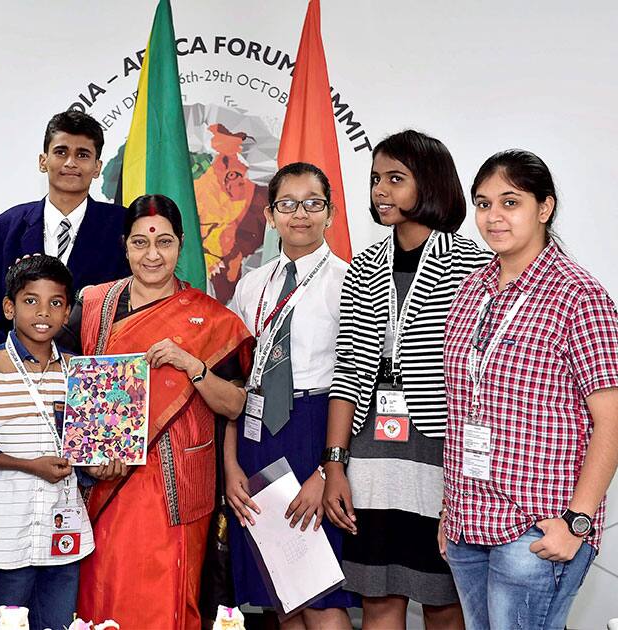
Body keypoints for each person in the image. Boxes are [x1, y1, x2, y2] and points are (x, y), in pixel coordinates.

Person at [321, 130, 492, 629]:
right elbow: (347, 371)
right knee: (377, 595)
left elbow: (479, 376)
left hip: (441, 450)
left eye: (396, 179)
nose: (381, 191)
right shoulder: (363, 263)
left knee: (443, 598)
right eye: (376, 179)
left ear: (432, 183)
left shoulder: (476, 264)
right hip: (371, 451)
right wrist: (335, 464)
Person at [441, 150, 618, 629]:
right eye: (483, 203)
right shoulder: (471, 288)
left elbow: (612, 421)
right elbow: (461, 405)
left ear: (544, 208)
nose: (493, 216)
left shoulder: (579, 295)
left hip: (538, 528)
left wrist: (577, 523)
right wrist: (448, 512)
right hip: (467, 522)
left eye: (510, 202)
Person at [64, 195, 254, 629]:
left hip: (176, 485)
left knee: (166, 599)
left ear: (181, 244)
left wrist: (194, 367)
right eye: (140, 243)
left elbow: (236, 404)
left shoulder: (211, 320)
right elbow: (68, 385)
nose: (152, 255)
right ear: (125, 246)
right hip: (106, 482)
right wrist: (89, 459)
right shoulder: (91, 304)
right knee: (103, 594)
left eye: (164, 243)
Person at [0, 255, 123, 630]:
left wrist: (97, 466)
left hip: (64, 532)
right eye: (31, 301)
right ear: (9, 307)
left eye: (56, 303)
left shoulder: (82, 373)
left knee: (59, 623)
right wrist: (27, 465)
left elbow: (86, 452)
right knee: (4, 621)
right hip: (5, 533)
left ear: (68, 312)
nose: (43, 312)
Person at [225, 162, 357, 628]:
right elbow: (237, 380)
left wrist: (328, 468)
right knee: (283, 594)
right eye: (287, 204)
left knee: (323, 597)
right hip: (258, 432)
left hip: (317, 430)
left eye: (312, 204)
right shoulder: (250, 285)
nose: (299, 214)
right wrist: (231, 463)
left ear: (331, 213)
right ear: (270, 214)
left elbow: (359, 383)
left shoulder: (352, 282)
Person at [0, 110, 130, 351]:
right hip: (19, 376)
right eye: (61, 152)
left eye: (82, 154)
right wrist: (6, 371)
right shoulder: (5, 228)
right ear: (42, 161)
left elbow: (131, 309)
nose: (70, 162)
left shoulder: (123, 226)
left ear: (97, 167)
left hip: (95, 375)